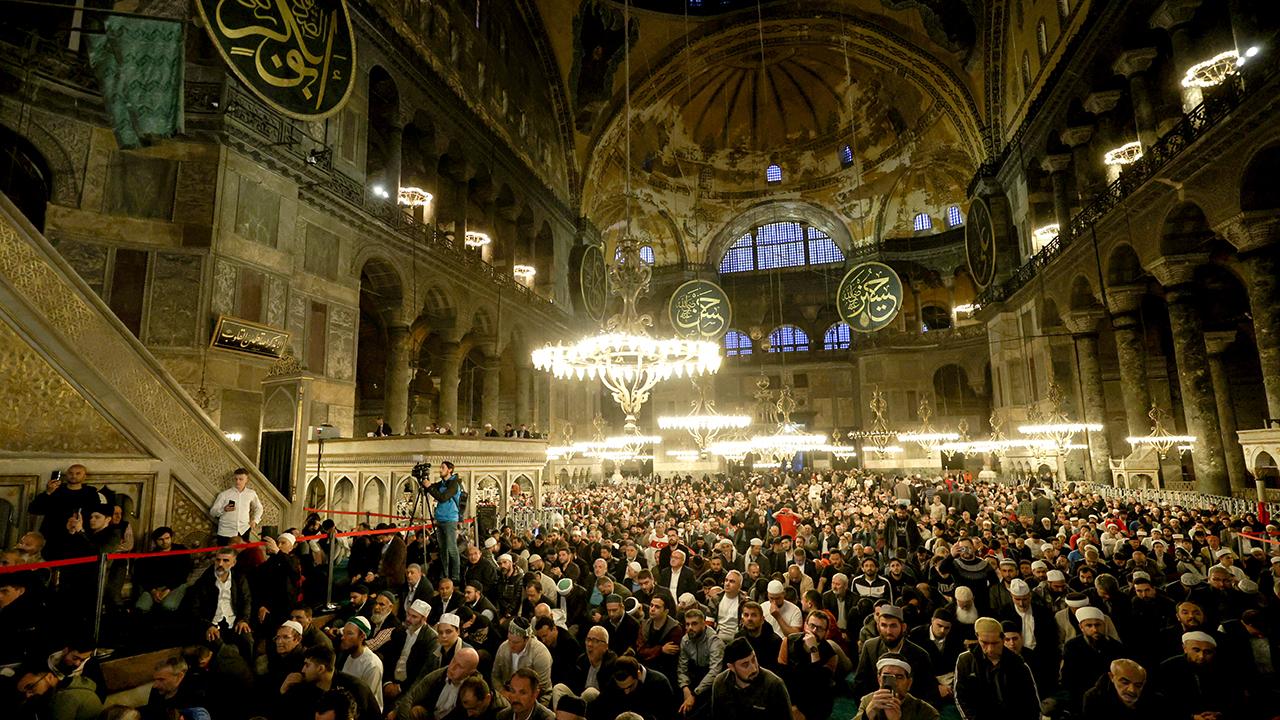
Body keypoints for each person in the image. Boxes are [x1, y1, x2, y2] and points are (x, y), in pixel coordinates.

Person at [953, 617, 1040, 720]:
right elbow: (961, 697)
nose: (990, 649)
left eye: (995, 643)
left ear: (1003, 639)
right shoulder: (966, 661)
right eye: (984, 643)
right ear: (977, 637)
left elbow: (1031, 702)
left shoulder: (1018, 664)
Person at [182, 546, 255, 663]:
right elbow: (194, 609)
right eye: (218, 560)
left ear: (234, 563)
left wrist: (243, 620)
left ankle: (248, 672)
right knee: (220, 647)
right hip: (212, 624)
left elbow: (247, 600)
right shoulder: (204, 581)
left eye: (225, 560)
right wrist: (207, 626)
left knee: (248, 641)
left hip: (234, 622)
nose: (220, 564)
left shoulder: (239, 578)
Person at [279, 645, 381, 720]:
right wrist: (283, 691)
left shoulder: (355, 688)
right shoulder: (305, 684)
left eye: (307, 665)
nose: (303, 670)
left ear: (320, 669)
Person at [388, 647, 482, 720]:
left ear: (470, 672)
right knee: (416, 711)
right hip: (432, 716)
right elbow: (412, 696)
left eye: (459, 666)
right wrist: (397, 711)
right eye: (453, 661)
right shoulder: (441, 674)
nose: (452, 668)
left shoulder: (474, 689)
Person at [709, 637, 790, 720]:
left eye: (753, 659)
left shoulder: (774, 685)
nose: (754, 668)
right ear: (731, 667)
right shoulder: (721, 683)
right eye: (745, 664)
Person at [779, 610, 839, 720]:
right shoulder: (788, 642)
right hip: (791, 694)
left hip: (816, 699)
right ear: (805, 625)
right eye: (812, 626)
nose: (814, 631)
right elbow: (782, 676)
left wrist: (814, 650)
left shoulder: (831, 655)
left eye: (820, 629)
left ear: (826, 633)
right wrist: (792, 706)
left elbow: (819, 684)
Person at [379, 599, 440, 703]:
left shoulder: (431, 639)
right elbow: (389, 658)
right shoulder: (400, 631)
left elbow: (422, 673)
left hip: (409, 688)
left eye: (414, 617)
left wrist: (400, 688)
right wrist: (387, 682)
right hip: (390, 682)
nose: (408, 619)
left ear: (424, 619)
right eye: (408, 614)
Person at [852, 653, 939, 720]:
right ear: (879, 679)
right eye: (887, 676)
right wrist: (867, 715)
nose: (894, 683)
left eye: (899, 677)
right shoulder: (867, 701)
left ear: (909, 683)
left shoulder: (926, 712)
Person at [586, 655, 675, 720]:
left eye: (630, 687)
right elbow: (599, 706)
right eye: (622, 688)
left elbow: (667, 715)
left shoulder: (660, 683)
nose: (626, 692)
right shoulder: (614, 681)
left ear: (638, 674)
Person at [491, 617, 553, 706]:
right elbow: (495, 676)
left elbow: (542, 687)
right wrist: (503, 692)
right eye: (510, 640)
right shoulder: (503, 648)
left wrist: (519, 698)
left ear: (527, 639)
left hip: (536, 699)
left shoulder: (540, 654)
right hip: (507, 696)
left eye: (516, 642)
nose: (511, 645)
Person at [677, 608, 723, 718]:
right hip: (694, 678)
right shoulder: (685, 639)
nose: (690, 628)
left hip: (711, 682)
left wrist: (694, 694)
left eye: (694, 624)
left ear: (703, 624)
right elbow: (682, 667)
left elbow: (715, 671)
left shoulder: (714, 641)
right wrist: (685, 687)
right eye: (687, 624)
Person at [1080, 658, 1158, 719]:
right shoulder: (1094, 698)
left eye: (1138, 685)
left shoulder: (1156, 700)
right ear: (1111, 677)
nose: (1132, 690)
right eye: (1125, 682)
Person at [427, 461, 464, 584]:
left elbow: (442, 497)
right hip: (441, 519)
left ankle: (455, 576)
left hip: (450, 519)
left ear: (450, 470)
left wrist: (429, 487)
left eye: (443, 467)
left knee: (451, 548)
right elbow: (430, 489)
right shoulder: (442, 483)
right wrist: (425, 483)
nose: (440, 469)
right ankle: (444, 574)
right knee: (443, 549)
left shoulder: (454, 484)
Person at [337, 616, 385, 712]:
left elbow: (365, 700)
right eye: (344, 633)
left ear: (362, 637)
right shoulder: (348, 654)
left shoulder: (372, 664)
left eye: (349, 634)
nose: (343, 637)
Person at [209, 468, 263, 545]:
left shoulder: (251, 493)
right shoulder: (224, 494)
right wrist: (224, 509)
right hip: (225, 532)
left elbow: (259, 508)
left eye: (241, 479)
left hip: (243, 530)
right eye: (236, 479)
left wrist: (255, 520)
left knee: (242, 556)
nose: (237, 481)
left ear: (246, 480)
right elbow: (212, 512)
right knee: (224, 555)